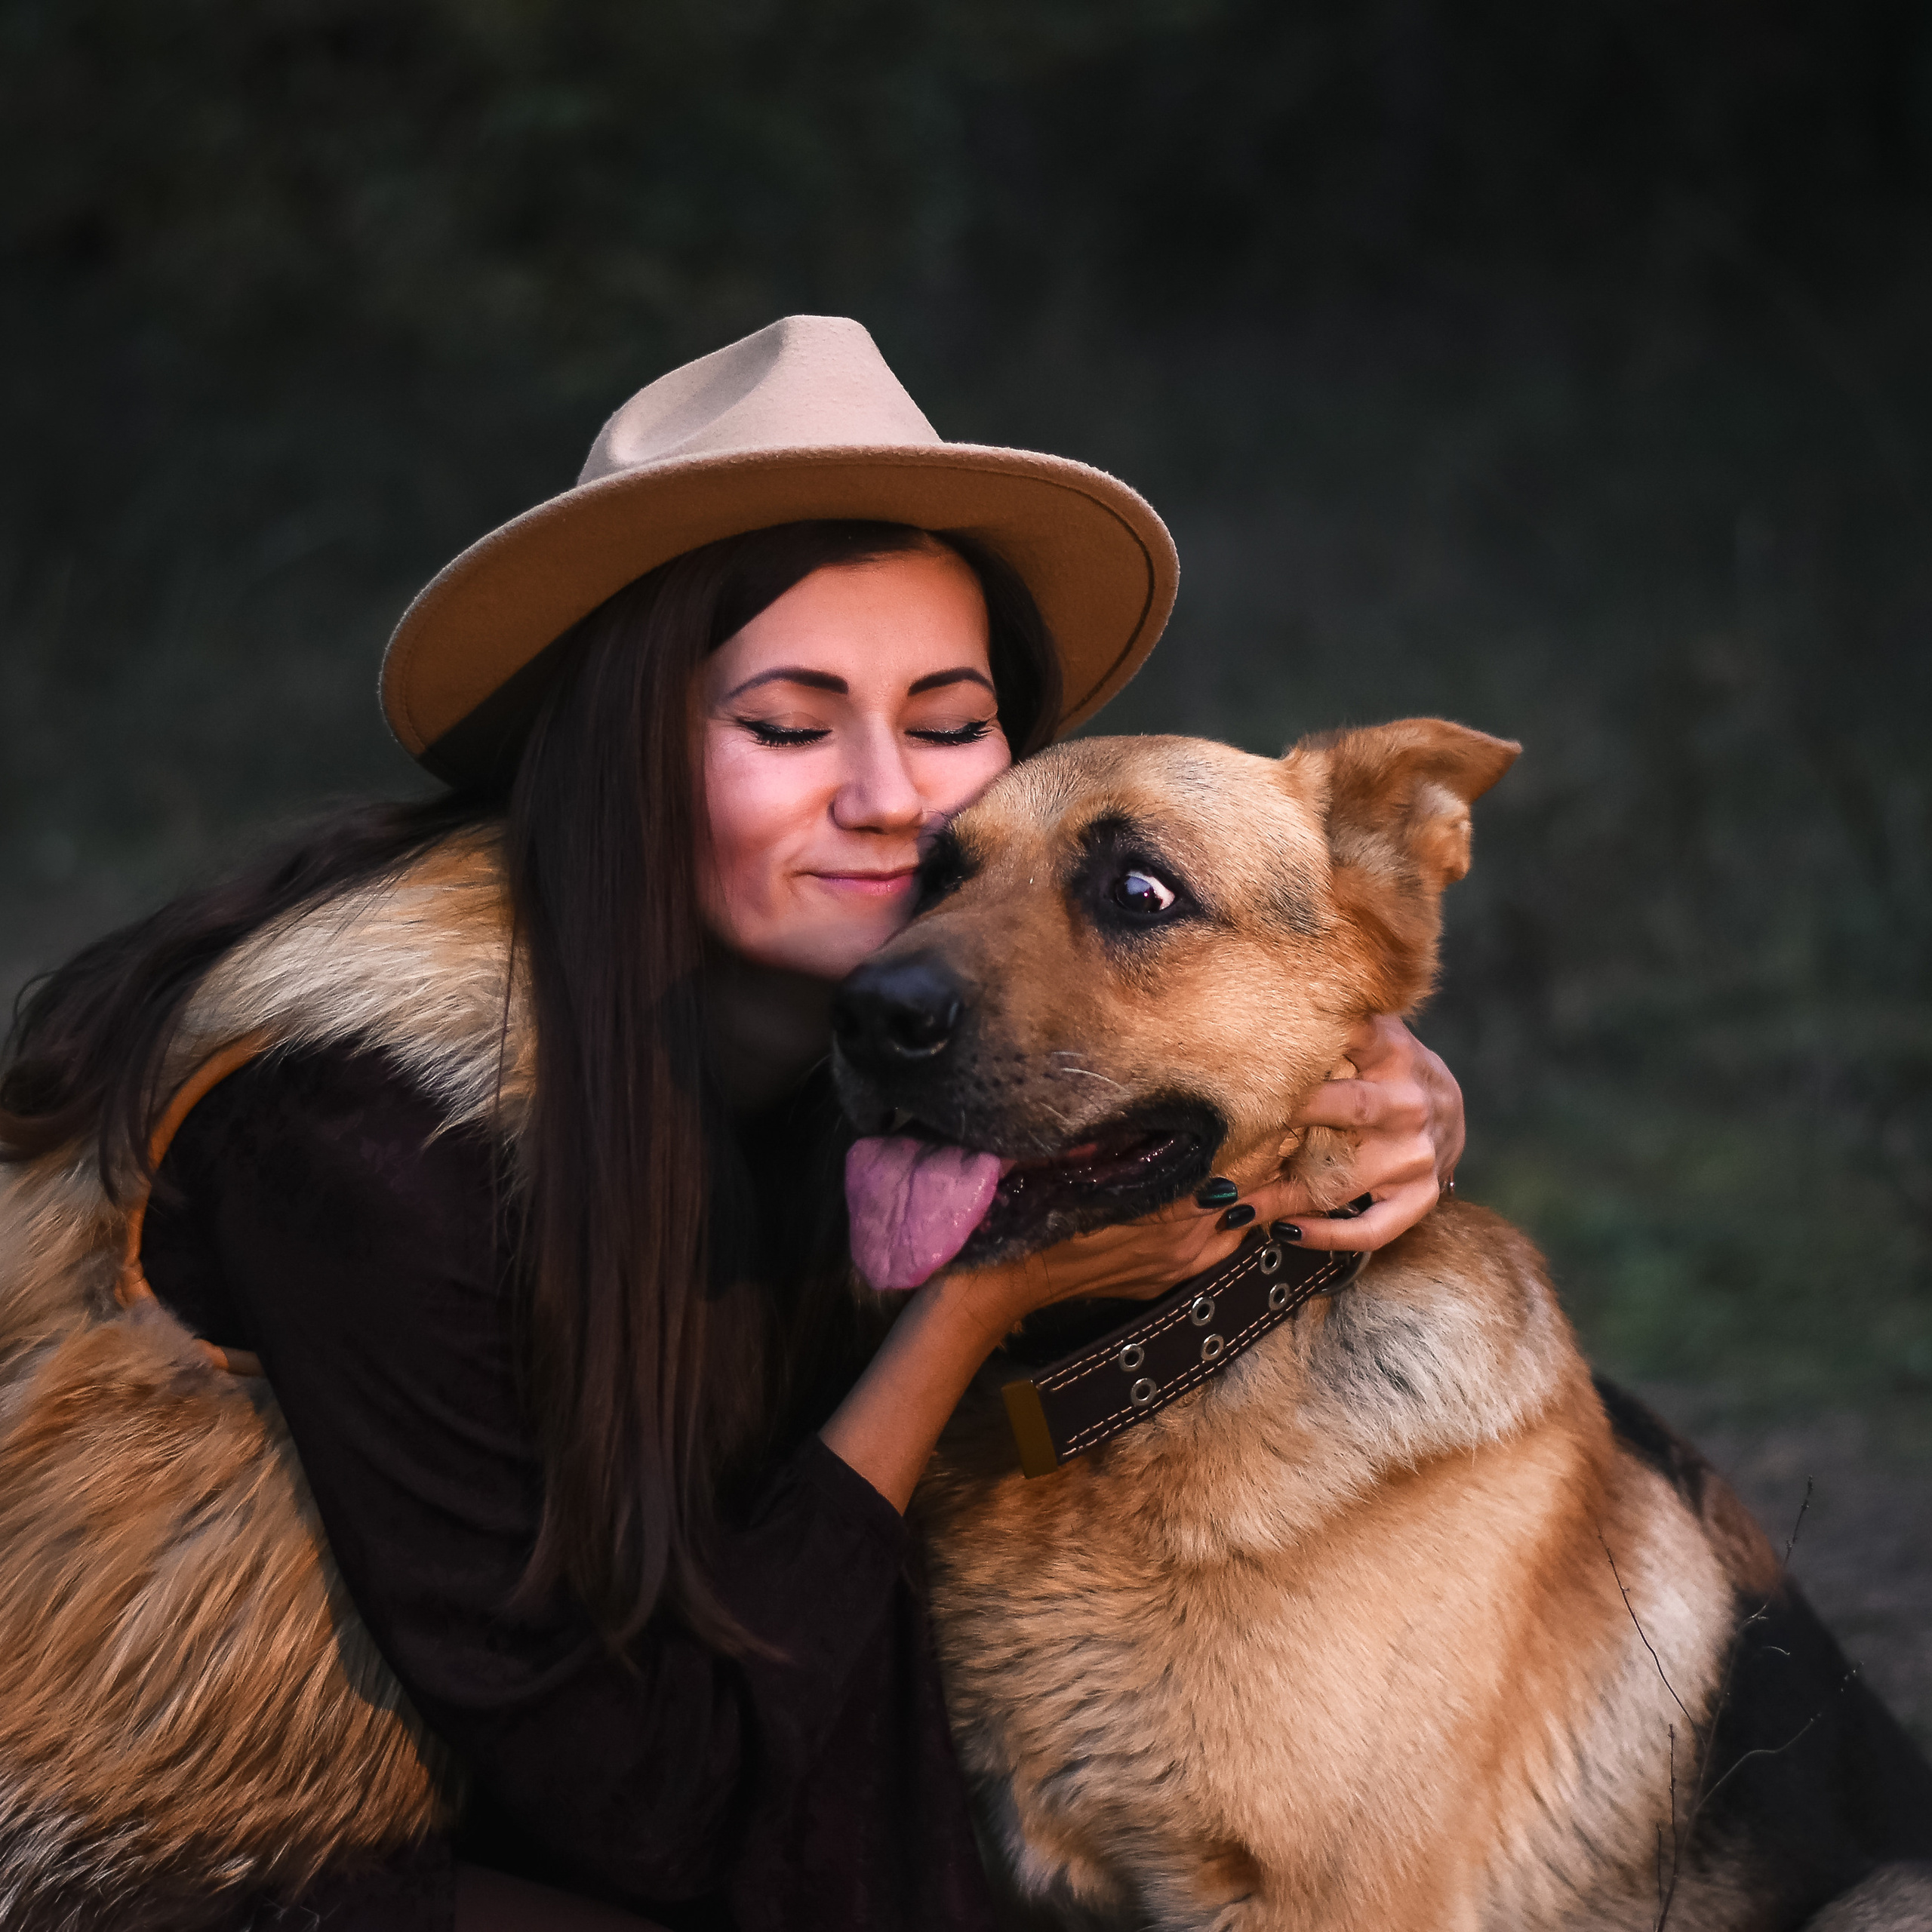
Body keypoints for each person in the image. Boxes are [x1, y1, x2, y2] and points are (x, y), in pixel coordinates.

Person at [0, 318, 1463, 1932]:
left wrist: (1357, 1077)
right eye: (785, 723)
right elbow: (640, 1790)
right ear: (626, 753)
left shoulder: (893, 1051)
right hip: (197, 1860)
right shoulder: (358, 1128)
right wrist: (969, 1304)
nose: (889, 793)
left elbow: (1189, 1195)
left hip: (572, 1797)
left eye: (950, 717)